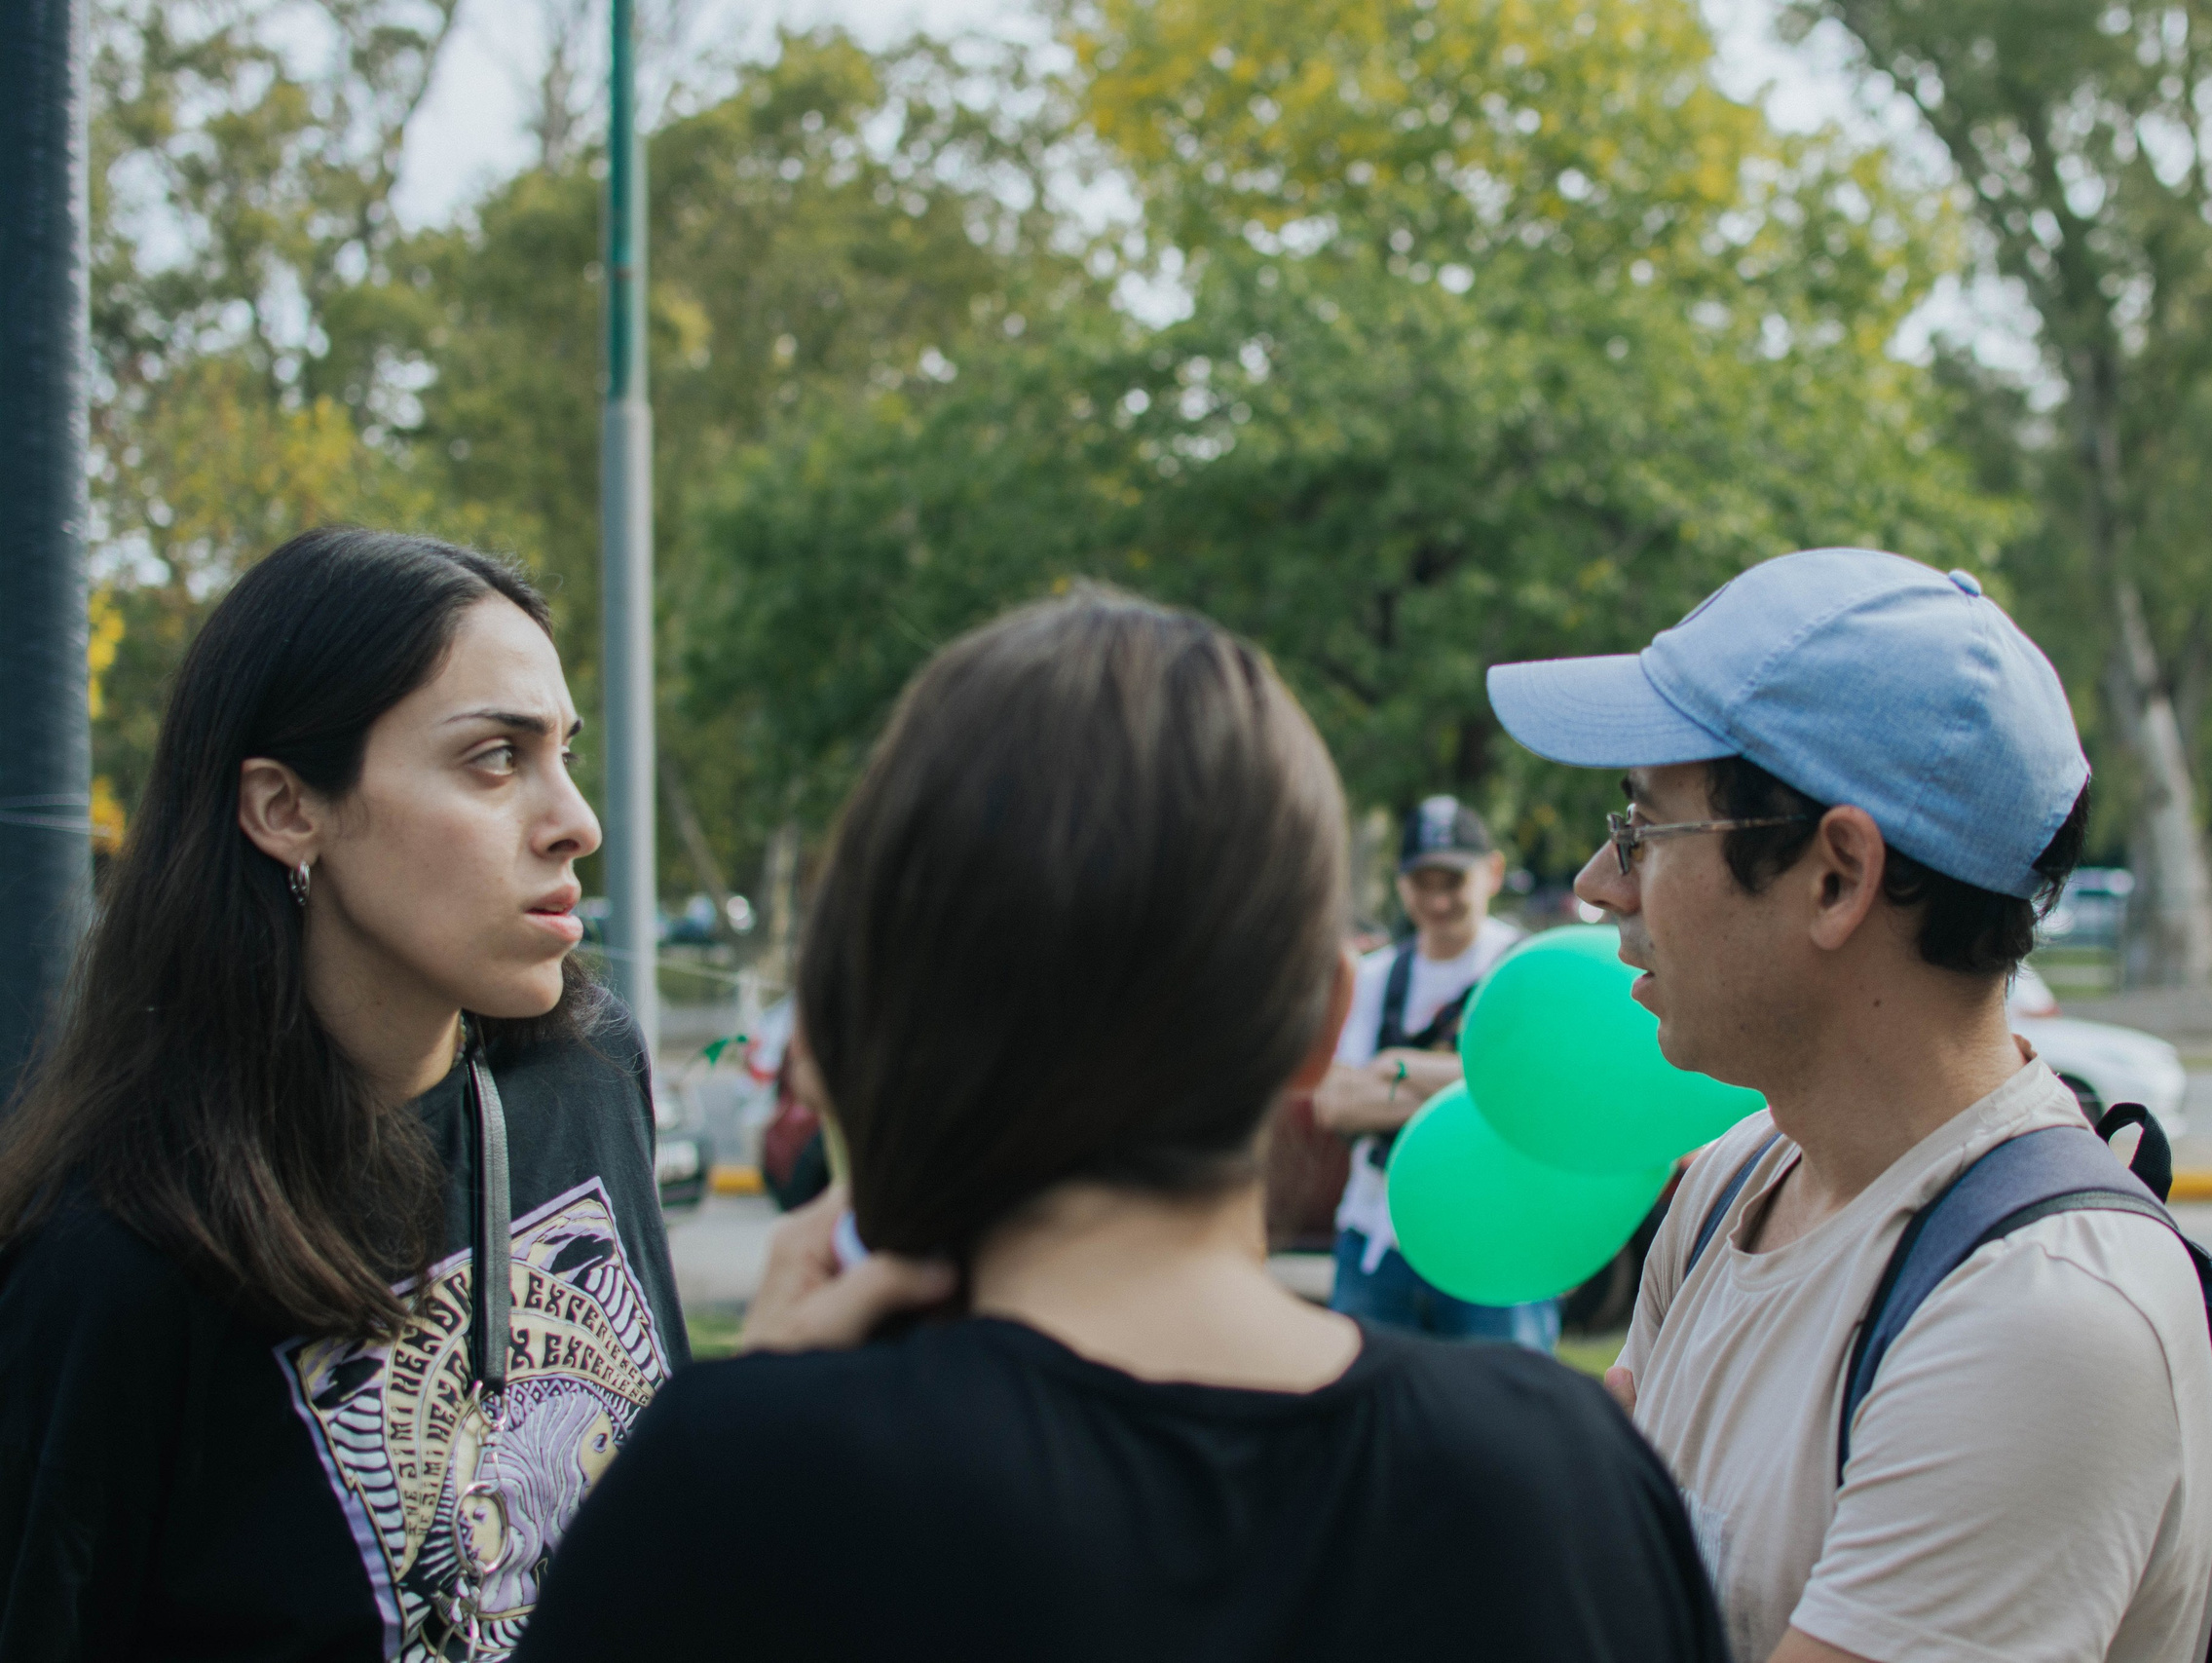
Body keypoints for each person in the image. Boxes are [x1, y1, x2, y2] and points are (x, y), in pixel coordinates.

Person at [515, 589, 1727, 1663]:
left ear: (878, 989)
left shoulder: (735, 1496)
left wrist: (758, 1445)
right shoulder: (1559, 1484)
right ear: (1320, 1016)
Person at [1486, 549, 2212, 1663]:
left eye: (1642, 829)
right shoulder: (1733, 1182)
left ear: (1835, 877)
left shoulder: (2037, 1323)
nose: (1598, 883)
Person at [0, 529, 691, 1662]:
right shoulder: (113, 1267)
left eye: (563, 752)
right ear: (285, 808)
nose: (577, 822)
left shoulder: (589, 1072)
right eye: (495, 759)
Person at [1312, 796, 1556, 1346]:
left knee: (1500, 1398)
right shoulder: (1376, 975)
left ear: (1492, 872)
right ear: (1401, 884)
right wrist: (1474, 1087)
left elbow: (1534, 1094)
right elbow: (1334, 1102)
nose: (1439, 900)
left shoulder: (1524, 971)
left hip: (1498, 1237)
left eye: (1453, 880)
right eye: (1423, 883)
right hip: (1377, 1236)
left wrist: (1396, 1066)